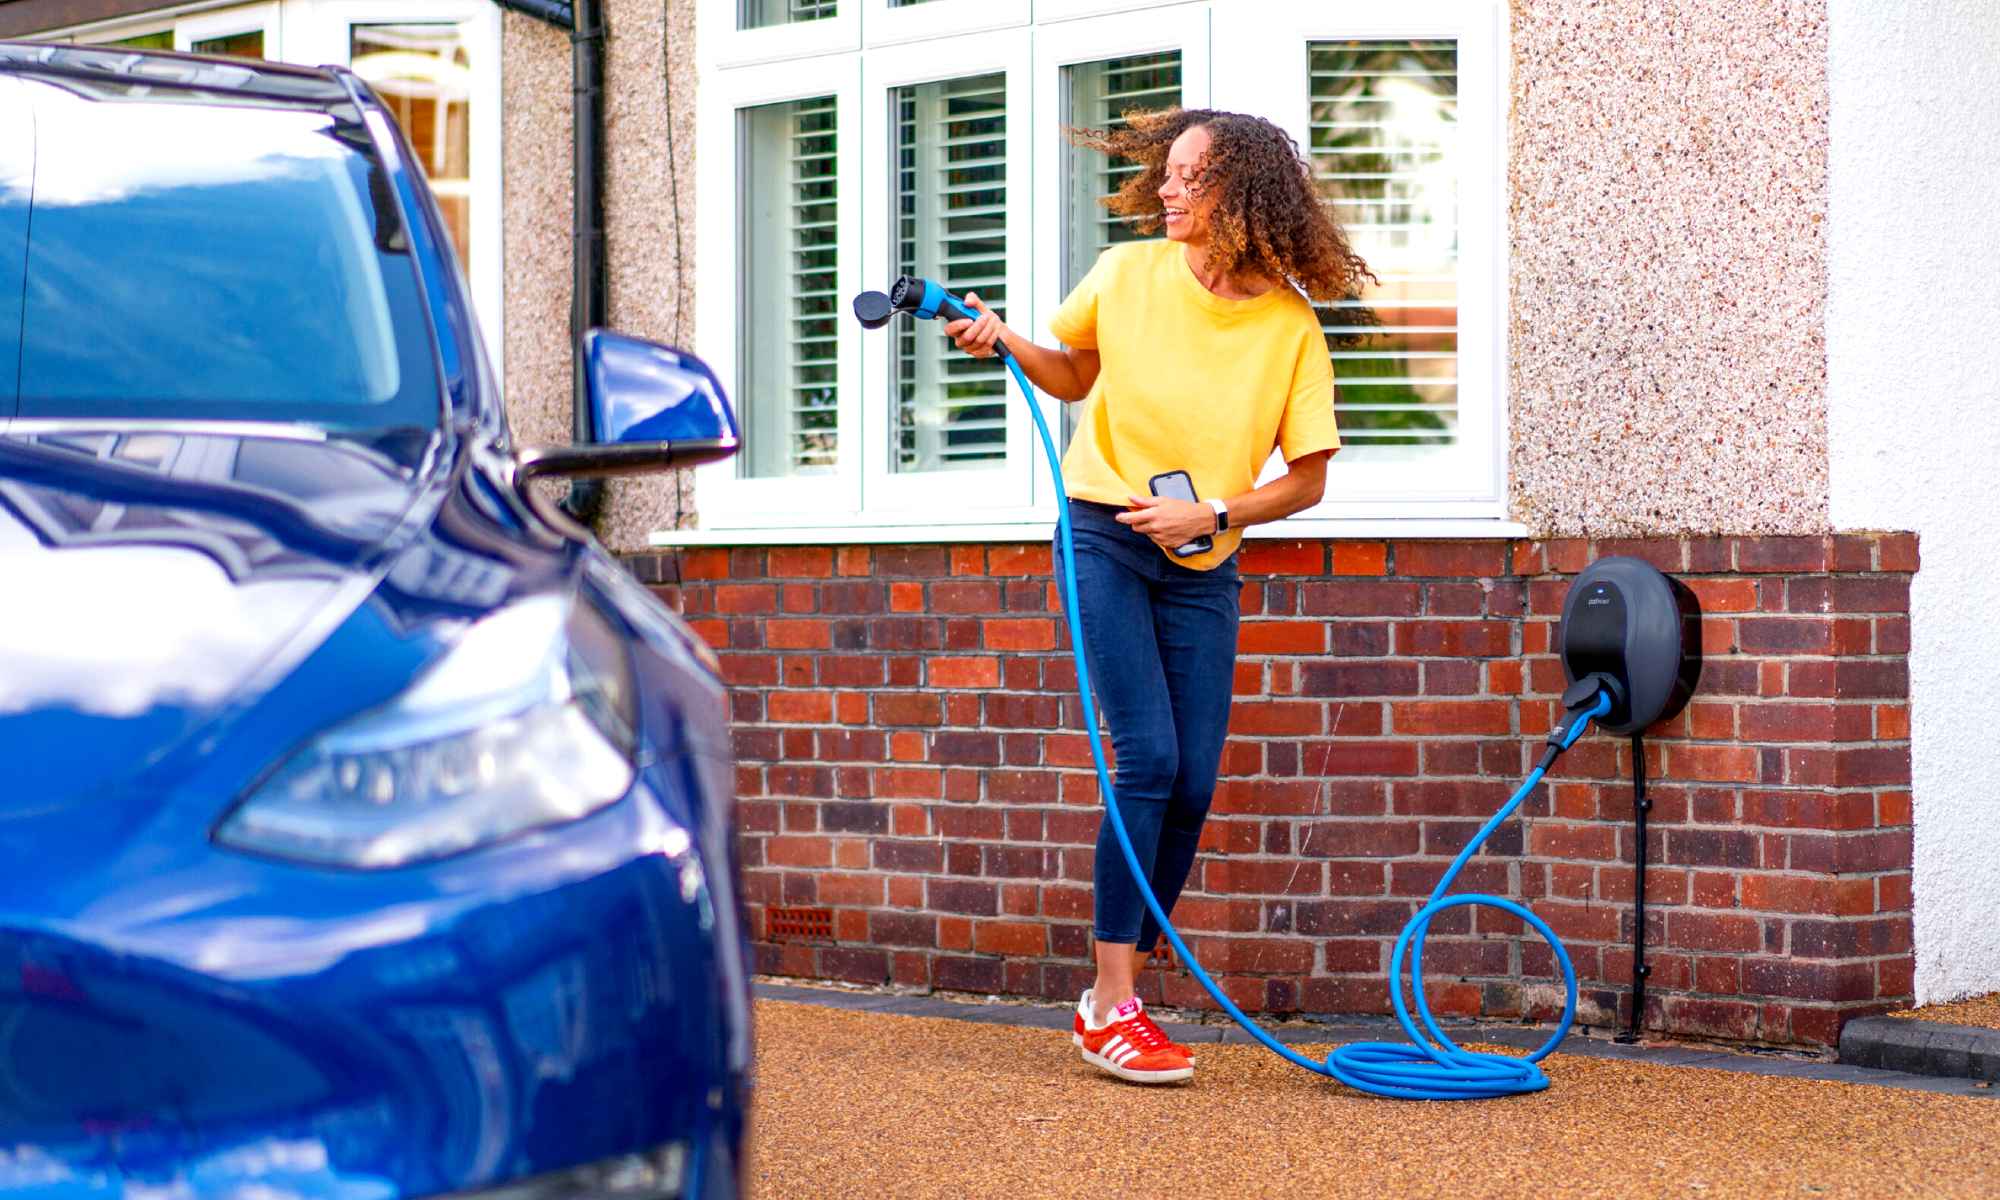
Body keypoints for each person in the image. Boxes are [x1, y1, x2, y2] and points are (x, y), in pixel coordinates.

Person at [943, 107, 1373, 1085]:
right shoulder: (1127, 276)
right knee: (1145, 757)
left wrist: (1212, 513)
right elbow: (1071, 374)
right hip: (1101, 532)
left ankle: (1115, 994)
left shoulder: (1286, 326)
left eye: (1188, 177)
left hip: (1198, 558)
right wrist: (1008, 338)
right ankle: (1111, 1004)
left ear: (1243, 195)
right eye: (1166, 174)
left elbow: (1305, 477)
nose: (1166, 190)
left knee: (1191, 782)